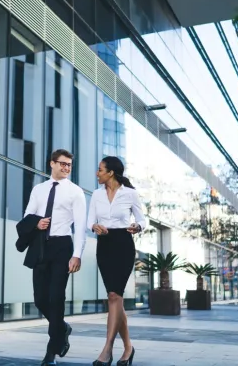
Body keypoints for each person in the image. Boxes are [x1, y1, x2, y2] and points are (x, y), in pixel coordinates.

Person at [23, 149, 87, 366]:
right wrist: (36, 223)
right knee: (40, 299)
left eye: (69, 164)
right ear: (52, 163)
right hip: (41, 246)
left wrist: (77, 255)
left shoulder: (75, 192)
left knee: (56, 297)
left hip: (62, 246)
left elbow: (79, 227)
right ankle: (62, 328)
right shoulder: (39, 189)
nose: (66, 168)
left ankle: (51, 352)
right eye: (62, 164)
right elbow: (27, 216)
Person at [88, 156, 147, 366]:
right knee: (115, 299)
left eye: (100, 170)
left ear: (110, 172)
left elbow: (142, 219)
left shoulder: (130, 193)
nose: (97, 173)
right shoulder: (96, 194)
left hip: (123, 243)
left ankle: (107, 349)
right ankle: (128, 348)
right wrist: (95, 226)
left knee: (115, 295)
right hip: (104, 244)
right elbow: (90, 220)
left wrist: (138, 227)